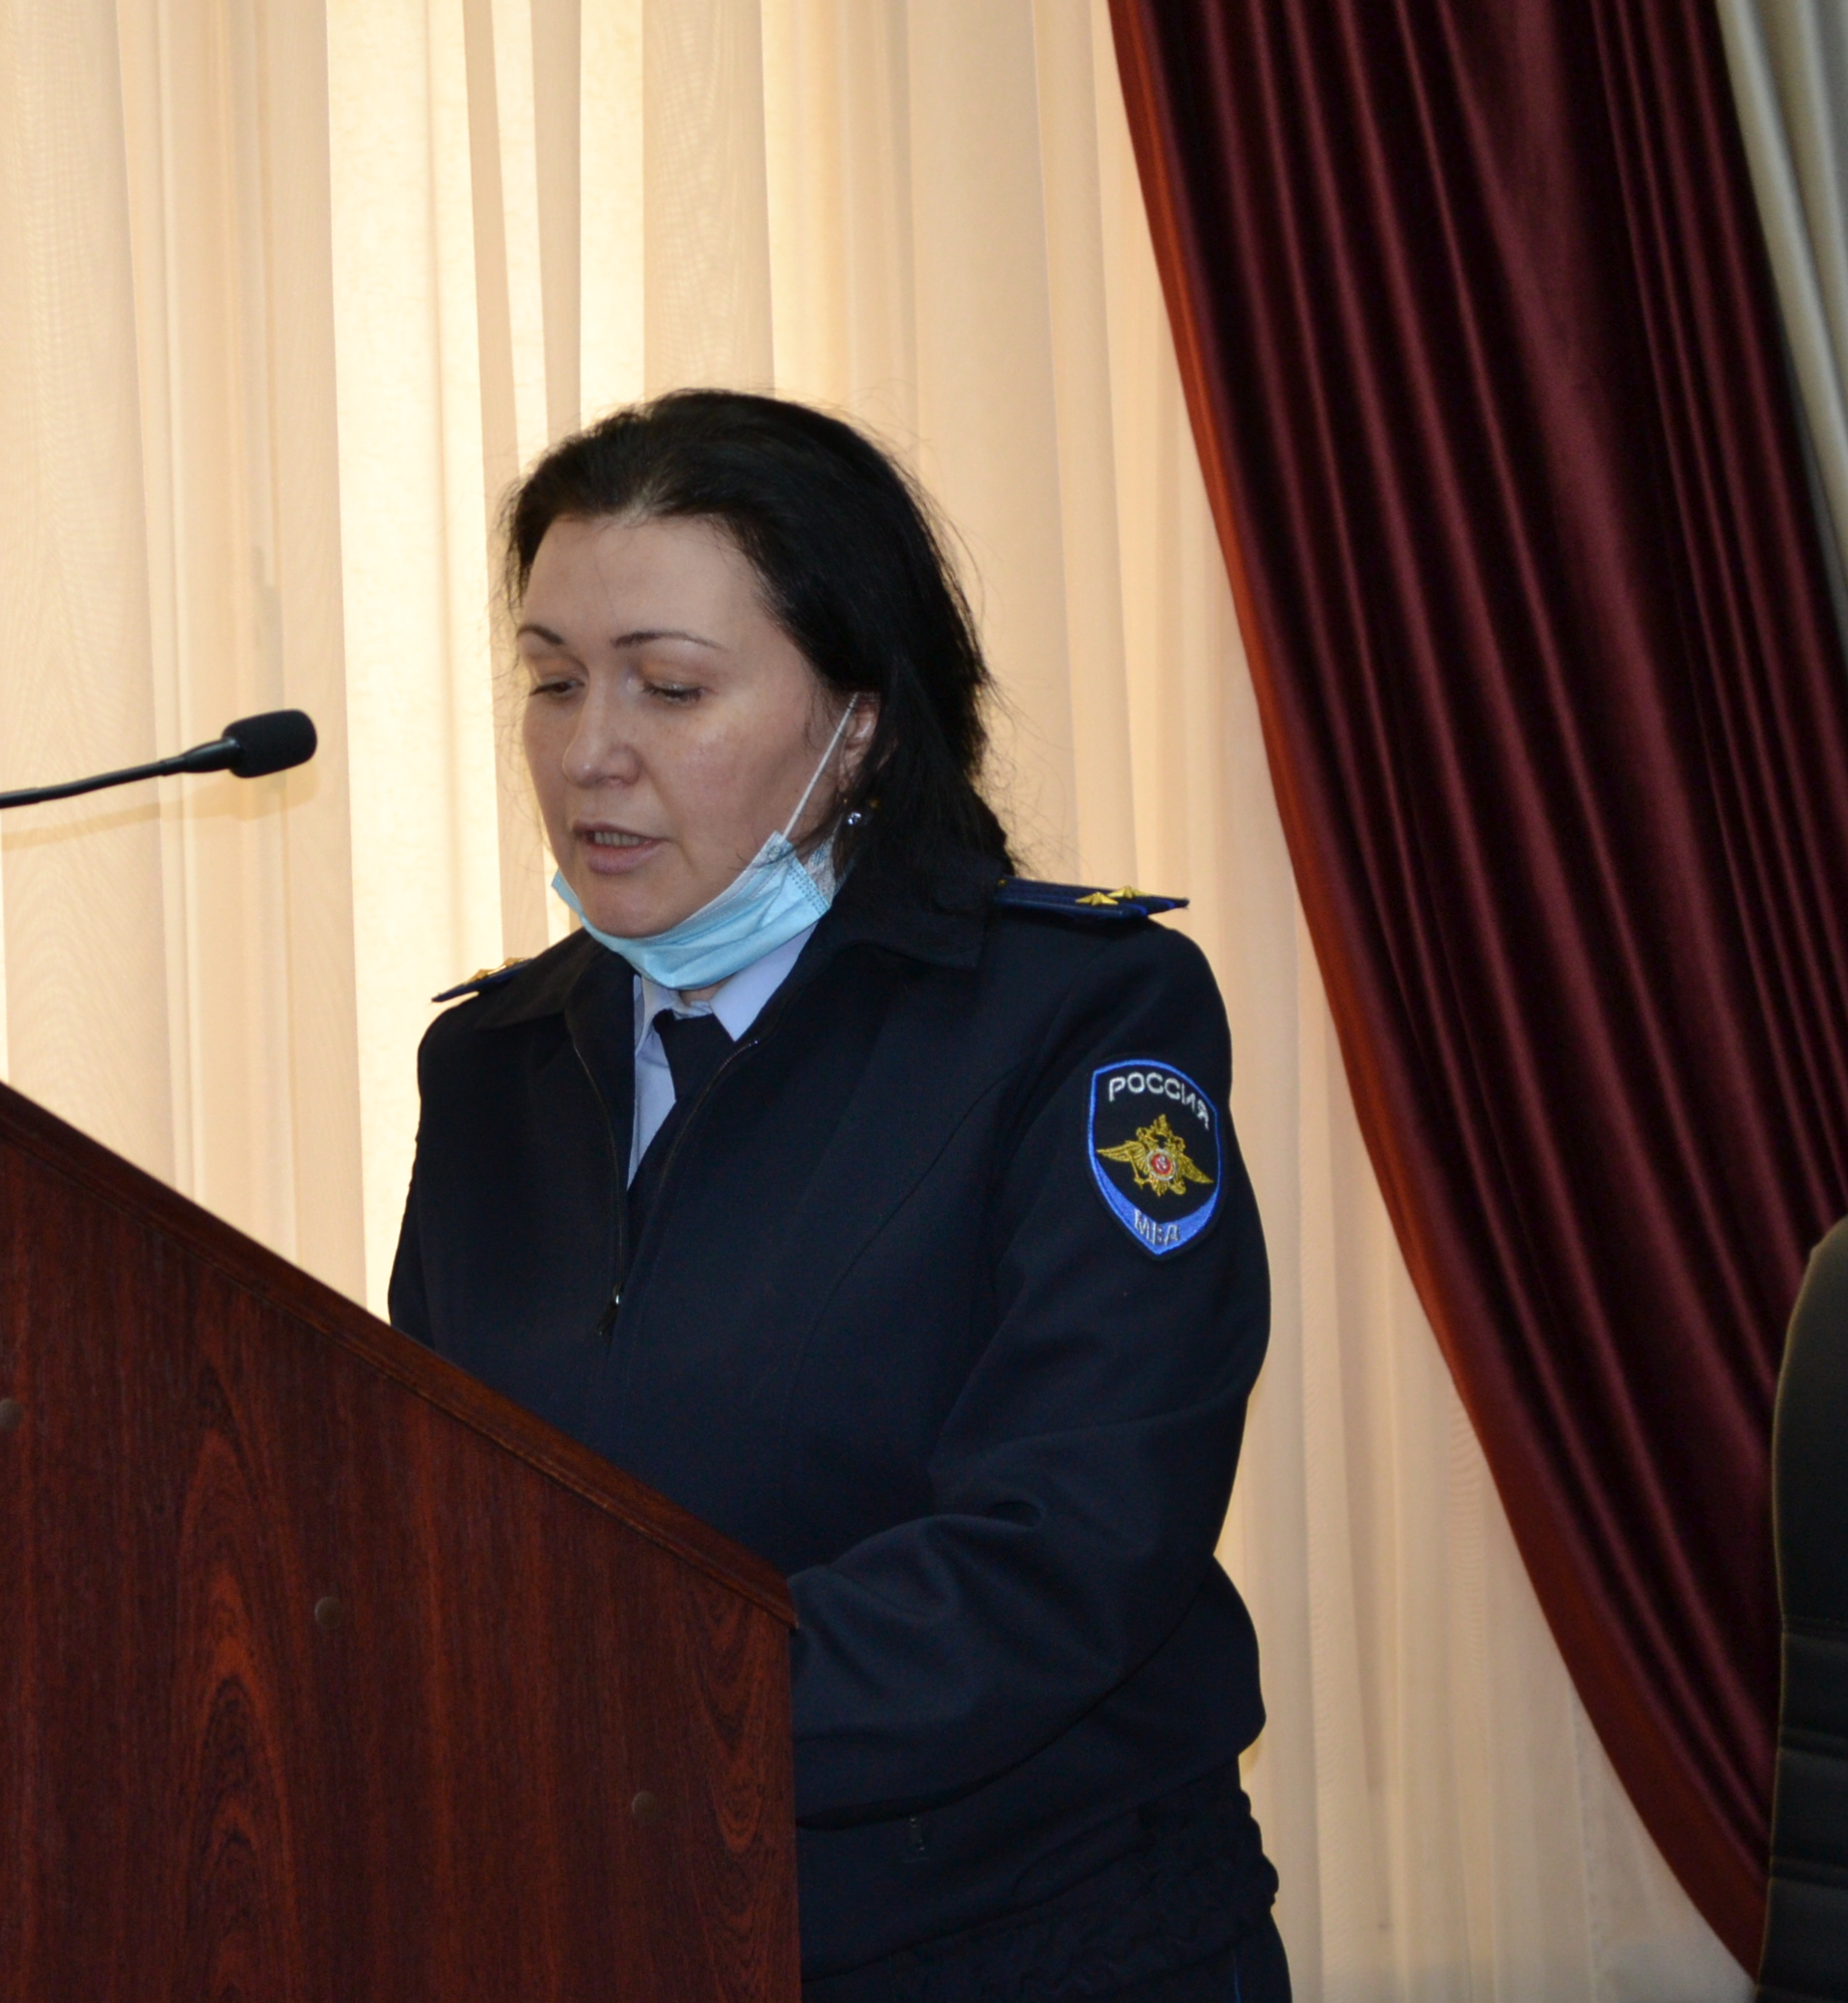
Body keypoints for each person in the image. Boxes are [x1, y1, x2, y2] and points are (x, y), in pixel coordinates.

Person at [389, 391, 1286, 2001]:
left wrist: (616, 1718)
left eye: (671, 687)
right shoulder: (490, 1070)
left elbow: (1069, 1545)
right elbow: (436, 1517)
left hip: (1029, 1944)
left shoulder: (1079, 1018)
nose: (589, 752)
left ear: (859, 724)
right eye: (553, 680)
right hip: (621, 1927)